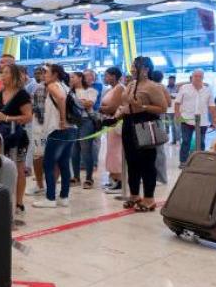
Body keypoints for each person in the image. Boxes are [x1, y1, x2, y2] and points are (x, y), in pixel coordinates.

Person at [118, 58, 169, 211]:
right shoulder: (131, 84)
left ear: (146, 69)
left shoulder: (153, 86)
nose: (132, 69)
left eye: (135, 67)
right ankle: (134, 195)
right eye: (132, 66)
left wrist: (144, 106)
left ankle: (149, 198)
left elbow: (163, 108)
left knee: (147, 162)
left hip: (145, 123)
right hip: (128, 122)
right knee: (131, 161)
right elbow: (125, 104)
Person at [0, 63, 32, 219]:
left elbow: (28, 116)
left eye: (6, 73)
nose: (3, 76)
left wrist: (7, 118)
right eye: (2, 73)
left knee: (17, 169)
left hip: (17, 137)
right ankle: (0, 200)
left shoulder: (22, 94)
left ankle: (18, 202)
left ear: (14, 75)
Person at [33, 64, 79, 208]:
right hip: (71, 129)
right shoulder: (65, 86)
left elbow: (60, 98)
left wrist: (62, 120)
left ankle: (50, 198)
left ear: (55, 75)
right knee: (64, 163)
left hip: (58, 129)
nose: (43, 75)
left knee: (48, 164)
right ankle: (64, 197)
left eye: (46, 73)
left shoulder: (53, 86)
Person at [175, 69, 216, 166]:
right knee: (185, 141)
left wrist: (215, 119)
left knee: (201, 142)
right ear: (191, 77)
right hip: (186, 120)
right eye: (195, 76)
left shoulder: (208, 90)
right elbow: (177, 103)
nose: (197, 78)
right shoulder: (184, 88)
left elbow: (212, 106)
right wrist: (178, 116)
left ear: (202, 78)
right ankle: (183, 161)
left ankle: (200, 161)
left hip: (202, 121)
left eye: (199, 76)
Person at [70, 71, 100, 188]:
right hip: (72, 123)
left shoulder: (91, 90)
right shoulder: (68, 92)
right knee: (74, 151)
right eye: (70, 77)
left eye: (73, 77)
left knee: (86, 150)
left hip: (86, 121)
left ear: (80, 78)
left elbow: (89, 104)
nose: (71, 79)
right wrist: (81, 102)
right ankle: (76, 177)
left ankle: (89, 178)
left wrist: (75, 101)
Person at [99, 66, 125, 194]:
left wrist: (101, 108)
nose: (105, 78)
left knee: (116, 152)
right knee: (111, 151)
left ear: (114, 76)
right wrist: (104, 107)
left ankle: (120, 182)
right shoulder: (112, 89)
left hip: (116, 123)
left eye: (106, 75)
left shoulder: (120, 88)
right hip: (110, 123)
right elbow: (106, 106)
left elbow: (112, 107)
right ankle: (113, 178)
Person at [28, 66, 49, 195]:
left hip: (41, 127)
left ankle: (40, 185)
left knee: (38, 156)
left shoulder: (41, 87)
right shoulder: (61, 86)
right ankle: (47, 184)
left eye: (40, 73)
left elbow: (40, 111)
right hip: (51, 127)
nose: (38, 75)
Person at [165, 75, 180, 144]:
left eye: (172, 80)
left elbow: (179, 98)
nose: (170, 81)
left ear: (174, 80)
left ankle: (178, 140)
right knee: (171, 126)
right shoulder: (165, 88)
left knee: (177, 126)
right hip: (168, 110)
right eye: (169, 80)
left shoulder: (178, 88)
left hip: (176, 110)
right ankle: (173, 140)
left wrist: (172, 96)